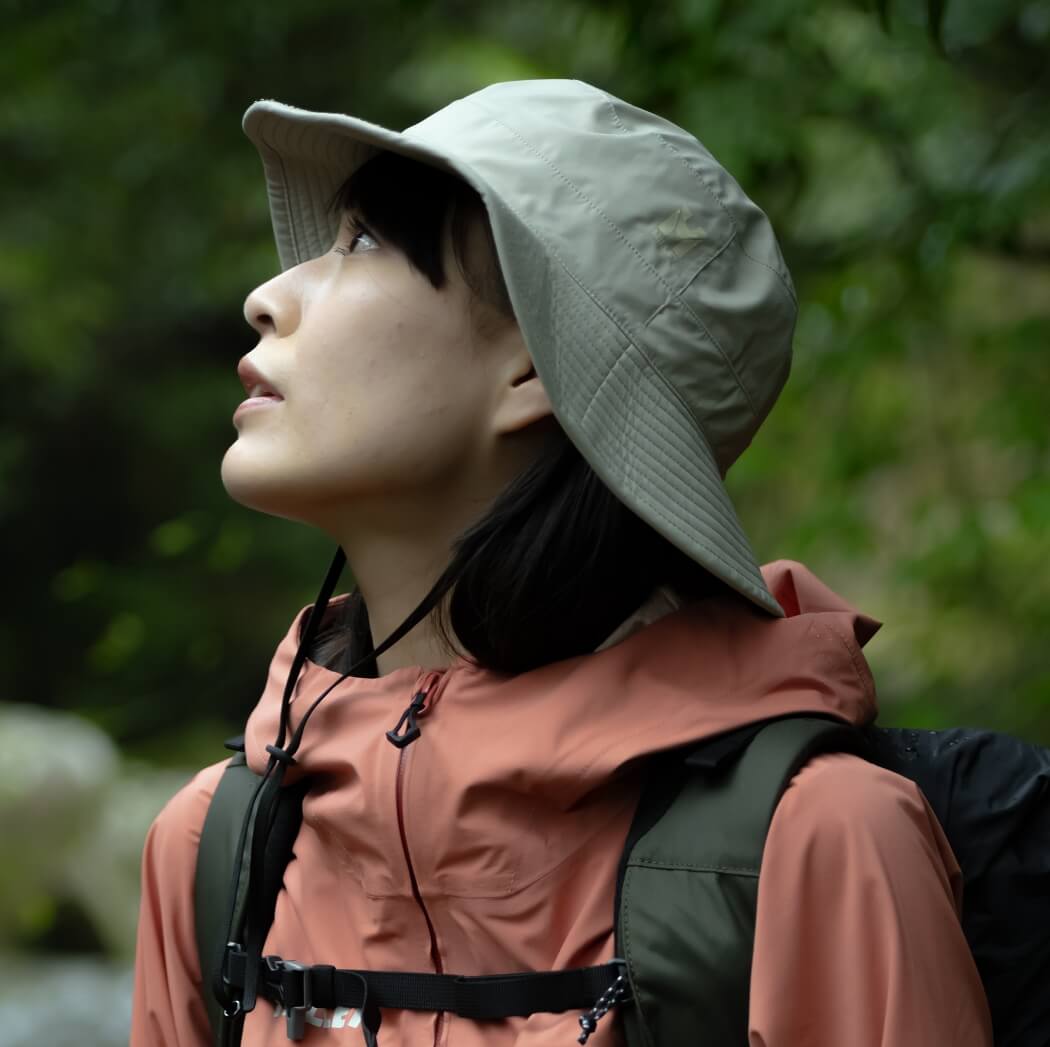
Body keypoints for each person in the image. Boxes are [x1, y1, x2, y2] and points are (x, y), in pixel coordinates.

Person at [130, 79, 993, 1046]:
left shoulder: (816, 842)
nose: (266, 298)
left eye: (363, 241)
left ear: (536, 365)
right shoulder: (217, 853)